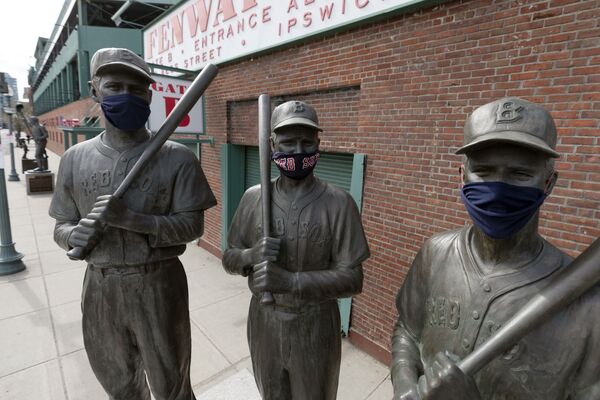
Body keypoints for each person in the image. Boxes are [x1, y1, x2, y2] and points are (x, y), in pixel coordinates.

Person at [391, 97, 600, 400]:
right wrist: (405, 385)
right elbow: (407, 332)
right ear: (461, 177)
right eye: (484, 171)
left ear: (549, 183)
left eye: (520, 174)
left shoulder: (589, 305)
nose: (498, 188)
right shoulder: (435, 253)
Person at [49, 48, 217, 400]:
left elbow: (192, 227)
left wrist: (133, 220)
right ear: (95, 91)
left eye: (136, 89)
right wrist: (73, 235)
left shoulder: (178, 158)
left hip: (158, 284)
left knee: (172, 386)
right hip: (100, 287)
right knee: (120, 385)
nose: (125, 95)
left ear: (149, 95)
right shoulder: (75, 160)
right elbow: (61, 225)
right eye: (114, 86)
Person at [222, 100, 370, 400]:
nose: (298, 151)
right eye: (288, 142)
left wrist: (291, 282)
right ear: (272, 144)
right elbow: (229, 257)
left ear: (318, 143)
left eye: (307, 141)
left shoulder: (339, 203)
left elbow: (353, 279)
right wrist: (251, 256)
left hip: (315, 324)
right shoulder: (254, 198)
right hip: (265, 320)